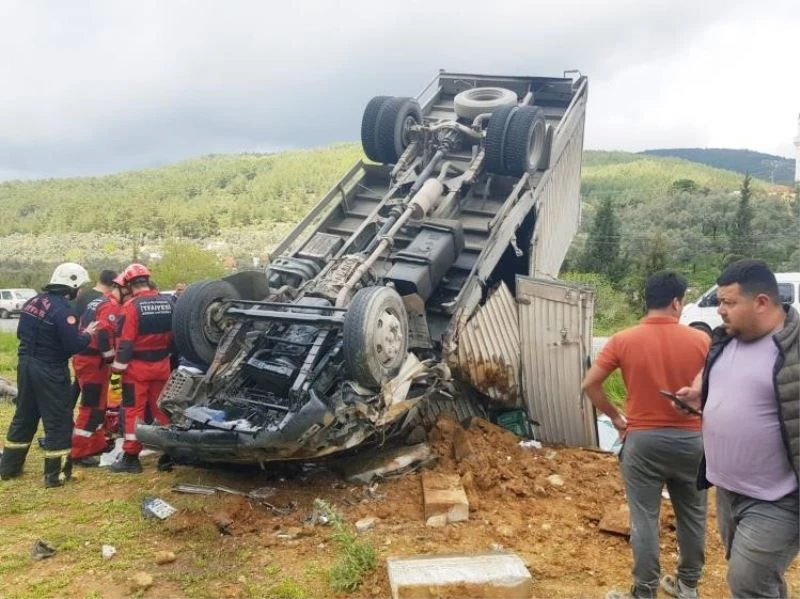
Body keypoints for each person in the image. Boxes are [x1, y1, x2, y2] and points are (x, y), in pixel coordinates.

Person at [581, 271, 711, 599]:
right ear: (676, 302)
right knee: (693, 517)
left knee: (644, 520)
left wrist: (616, 418)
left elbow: (590, 384)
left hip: (643, 442)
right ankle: (688, 586)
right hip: (693, 443)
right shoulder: (702, 341)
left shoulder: (623, 339)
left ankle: (644, 591)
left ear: (647, 300)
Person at [676, 259, 799, 598]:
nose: (720, 311)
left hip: (778, 497)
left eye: (728, 302)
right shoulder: (727, 339)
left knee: (746, 582)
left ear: (761, 302)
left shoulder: (794, 348)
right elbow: (716, 373)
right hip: (728, 491)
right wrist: (699, 391)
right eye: (719, 303)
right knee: (759, 581)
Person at [0, 263, 98, 488]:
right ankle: (56, 475)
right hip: (50, 369)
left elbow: (20, 333)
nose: (80, 291)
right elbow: (73, 345)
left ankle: (8, 467)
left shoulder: (32, 302)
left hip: (25, 365)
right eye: (79, 287)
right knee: (59, 420)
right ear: (72, 286)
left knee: (24, 416)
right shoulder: (64, 310)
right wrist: (87, 334)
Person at [109, 263, 174, 474]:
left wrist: (117, 369)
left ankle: (130, 457)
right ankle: (169, 453)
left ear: (129, 285)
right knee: (162, 409)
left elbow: (125, 343)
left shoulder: (131, 307)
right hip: (162, 366)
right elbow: (174, 336)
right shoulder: (168, 302)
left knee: (133, 411)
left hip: (136, 369)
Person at [70, 274, 126, 466]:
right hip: (93, 362)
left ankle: (96, 444)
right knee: (91, 406)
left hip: (87, 359)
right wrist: (110, 360)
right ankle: (79, 452)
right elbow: (103, 333)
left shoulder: (98, 302)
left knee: (99, 406)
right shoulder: (110, 305)